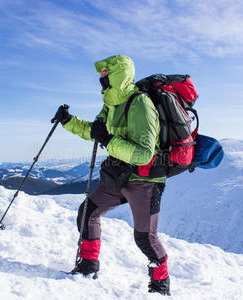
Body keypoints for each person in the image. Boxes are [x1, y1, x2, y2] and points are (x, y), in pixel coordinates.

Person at [51, 55, 170, 296]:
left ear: (118, 75)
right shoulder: (111, 104)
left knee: (145, 238)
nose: (101, 78)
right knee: (88, 212)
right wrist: (68, 121)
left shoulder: (140, 105)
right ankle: (87, 267)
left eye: (105, 73)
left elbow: (144, 154)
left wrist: (108, 140)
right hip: (120, 174)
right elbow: (95, 131)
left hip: (145, 180)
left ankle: (160, 286)